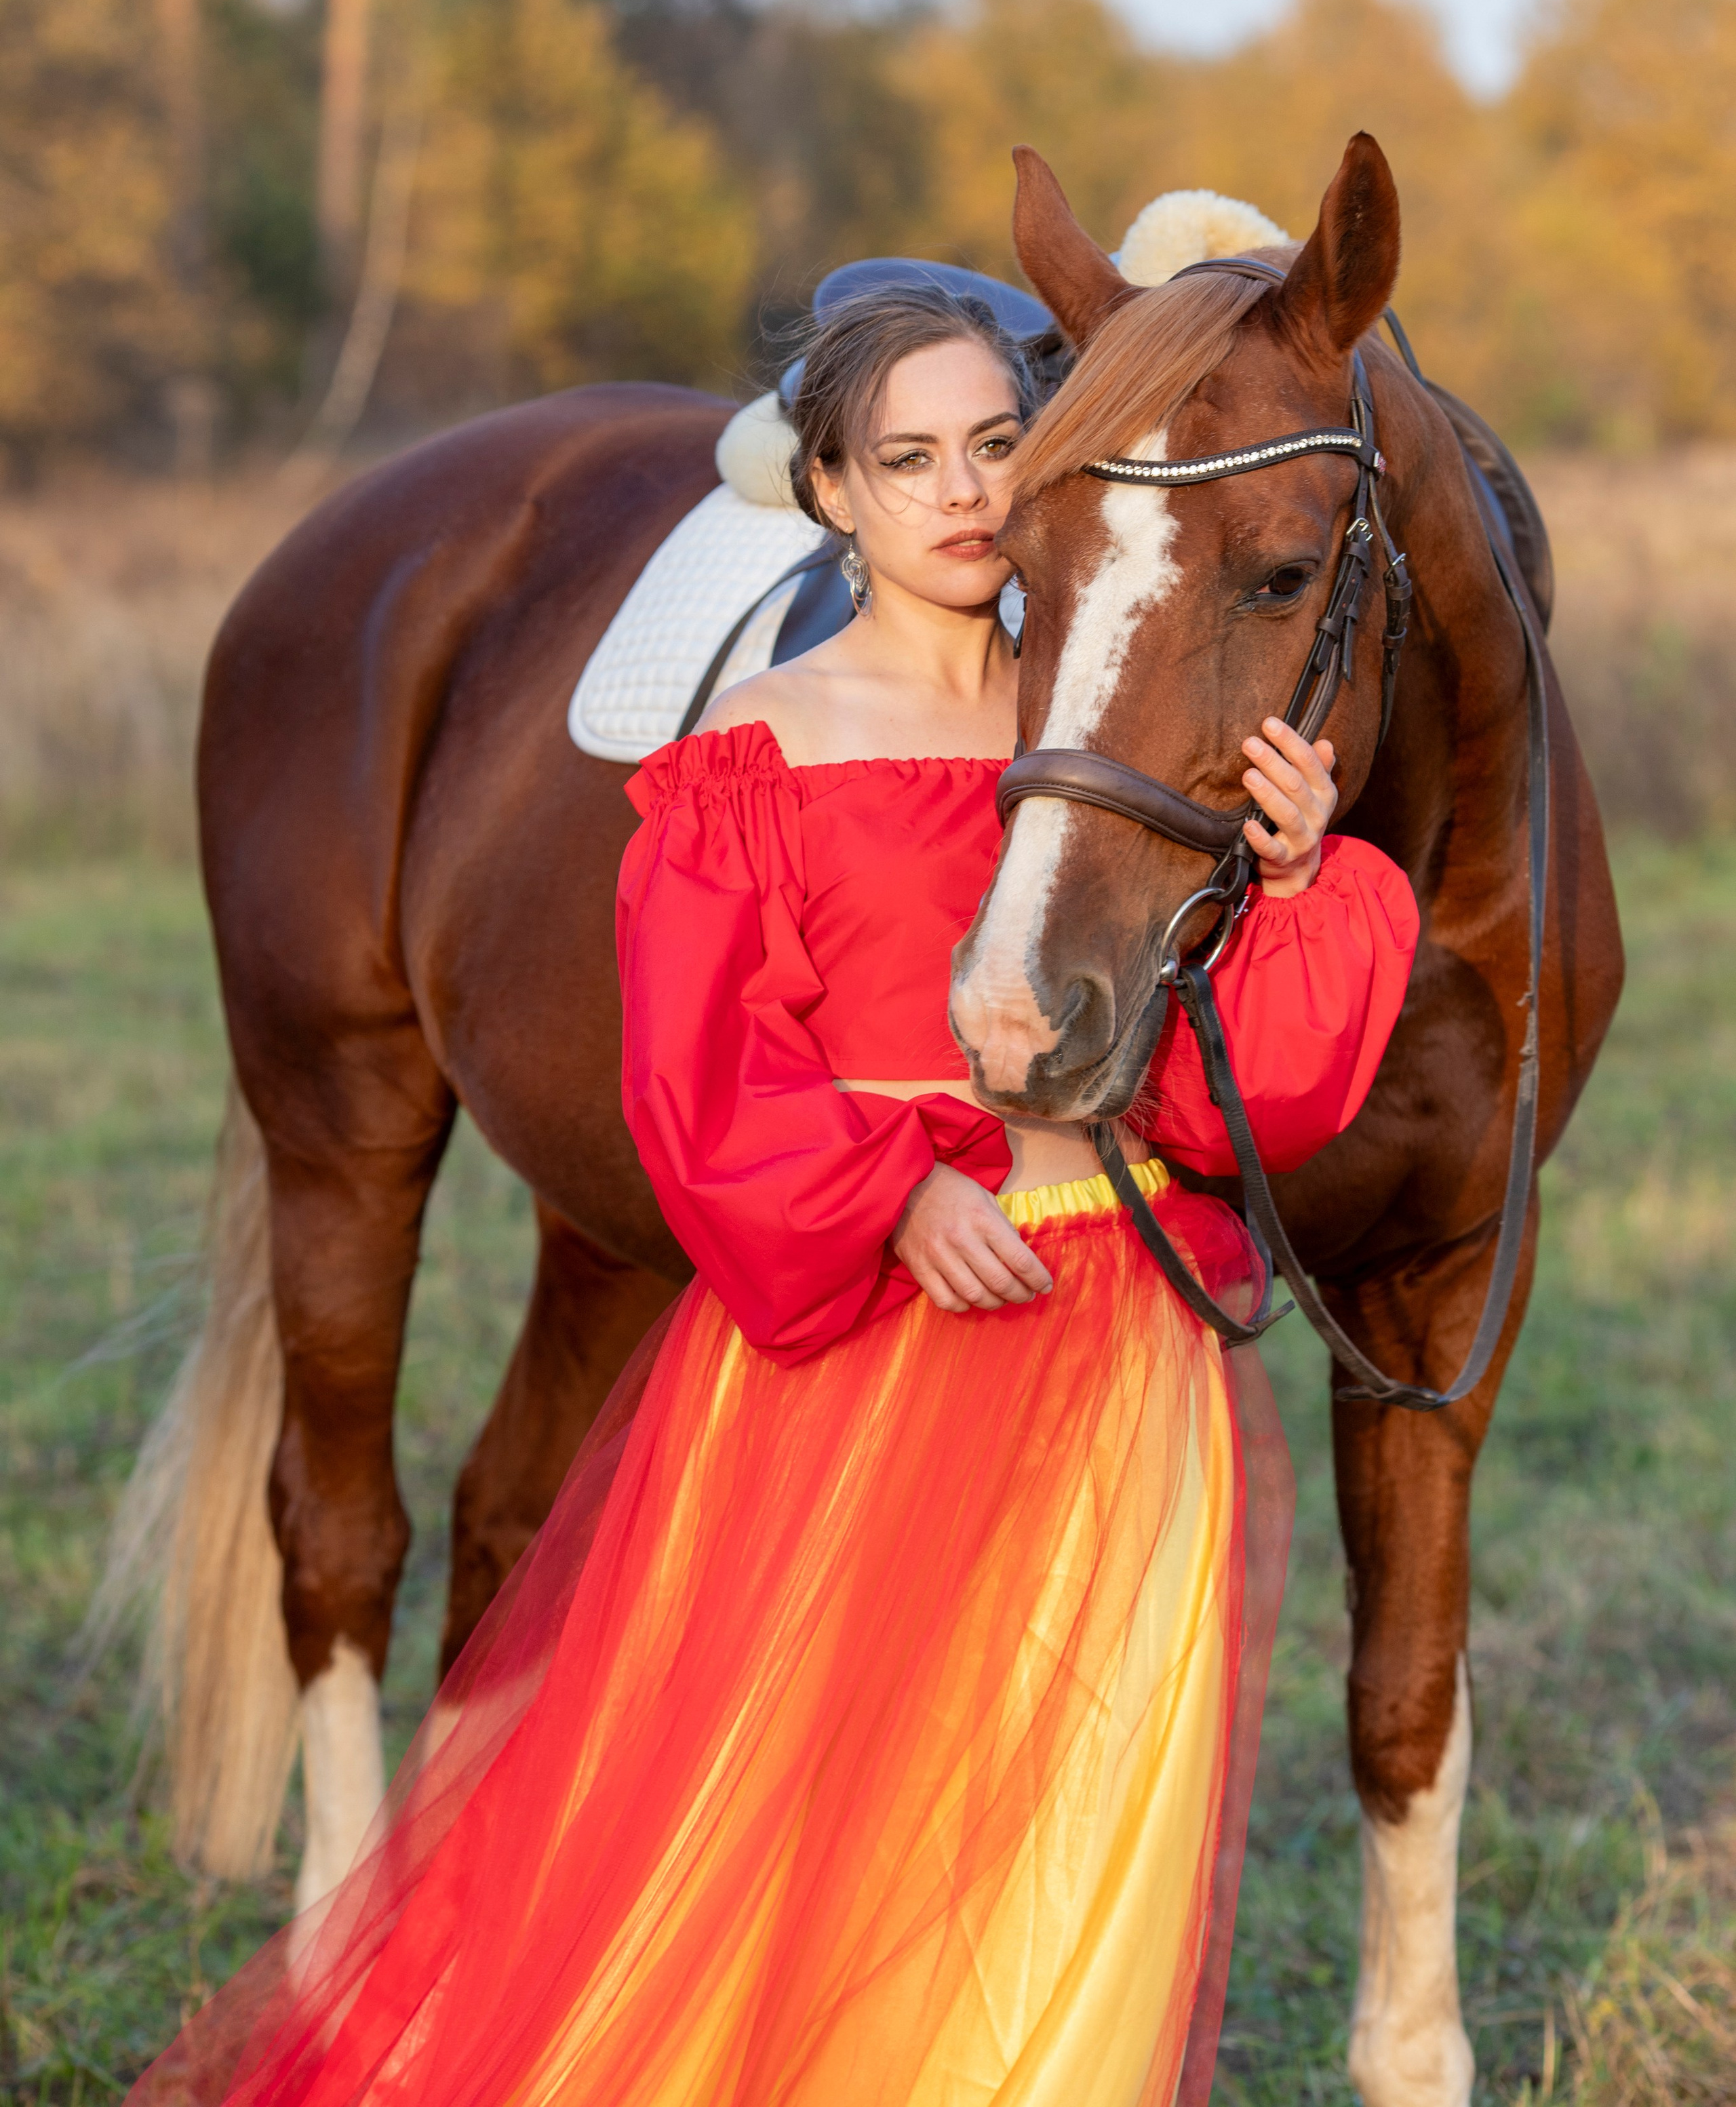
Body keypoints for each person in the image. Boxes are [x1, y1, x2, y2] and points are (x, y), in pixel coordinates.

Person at [131, 283, 1417, 2107]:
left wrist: (1292, 887)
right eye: (907, 460)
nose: (962, 494)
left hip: (1109, 1336)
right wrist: (886, 1195)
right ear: (828, 491)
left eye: (998, 449)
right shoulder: (766, 745)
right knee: (804, 1791)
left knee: (1071, 1809)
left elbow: (1234, 1104)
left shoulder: (1113, 732)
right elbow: (699, 1071)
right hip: (876, 1326)